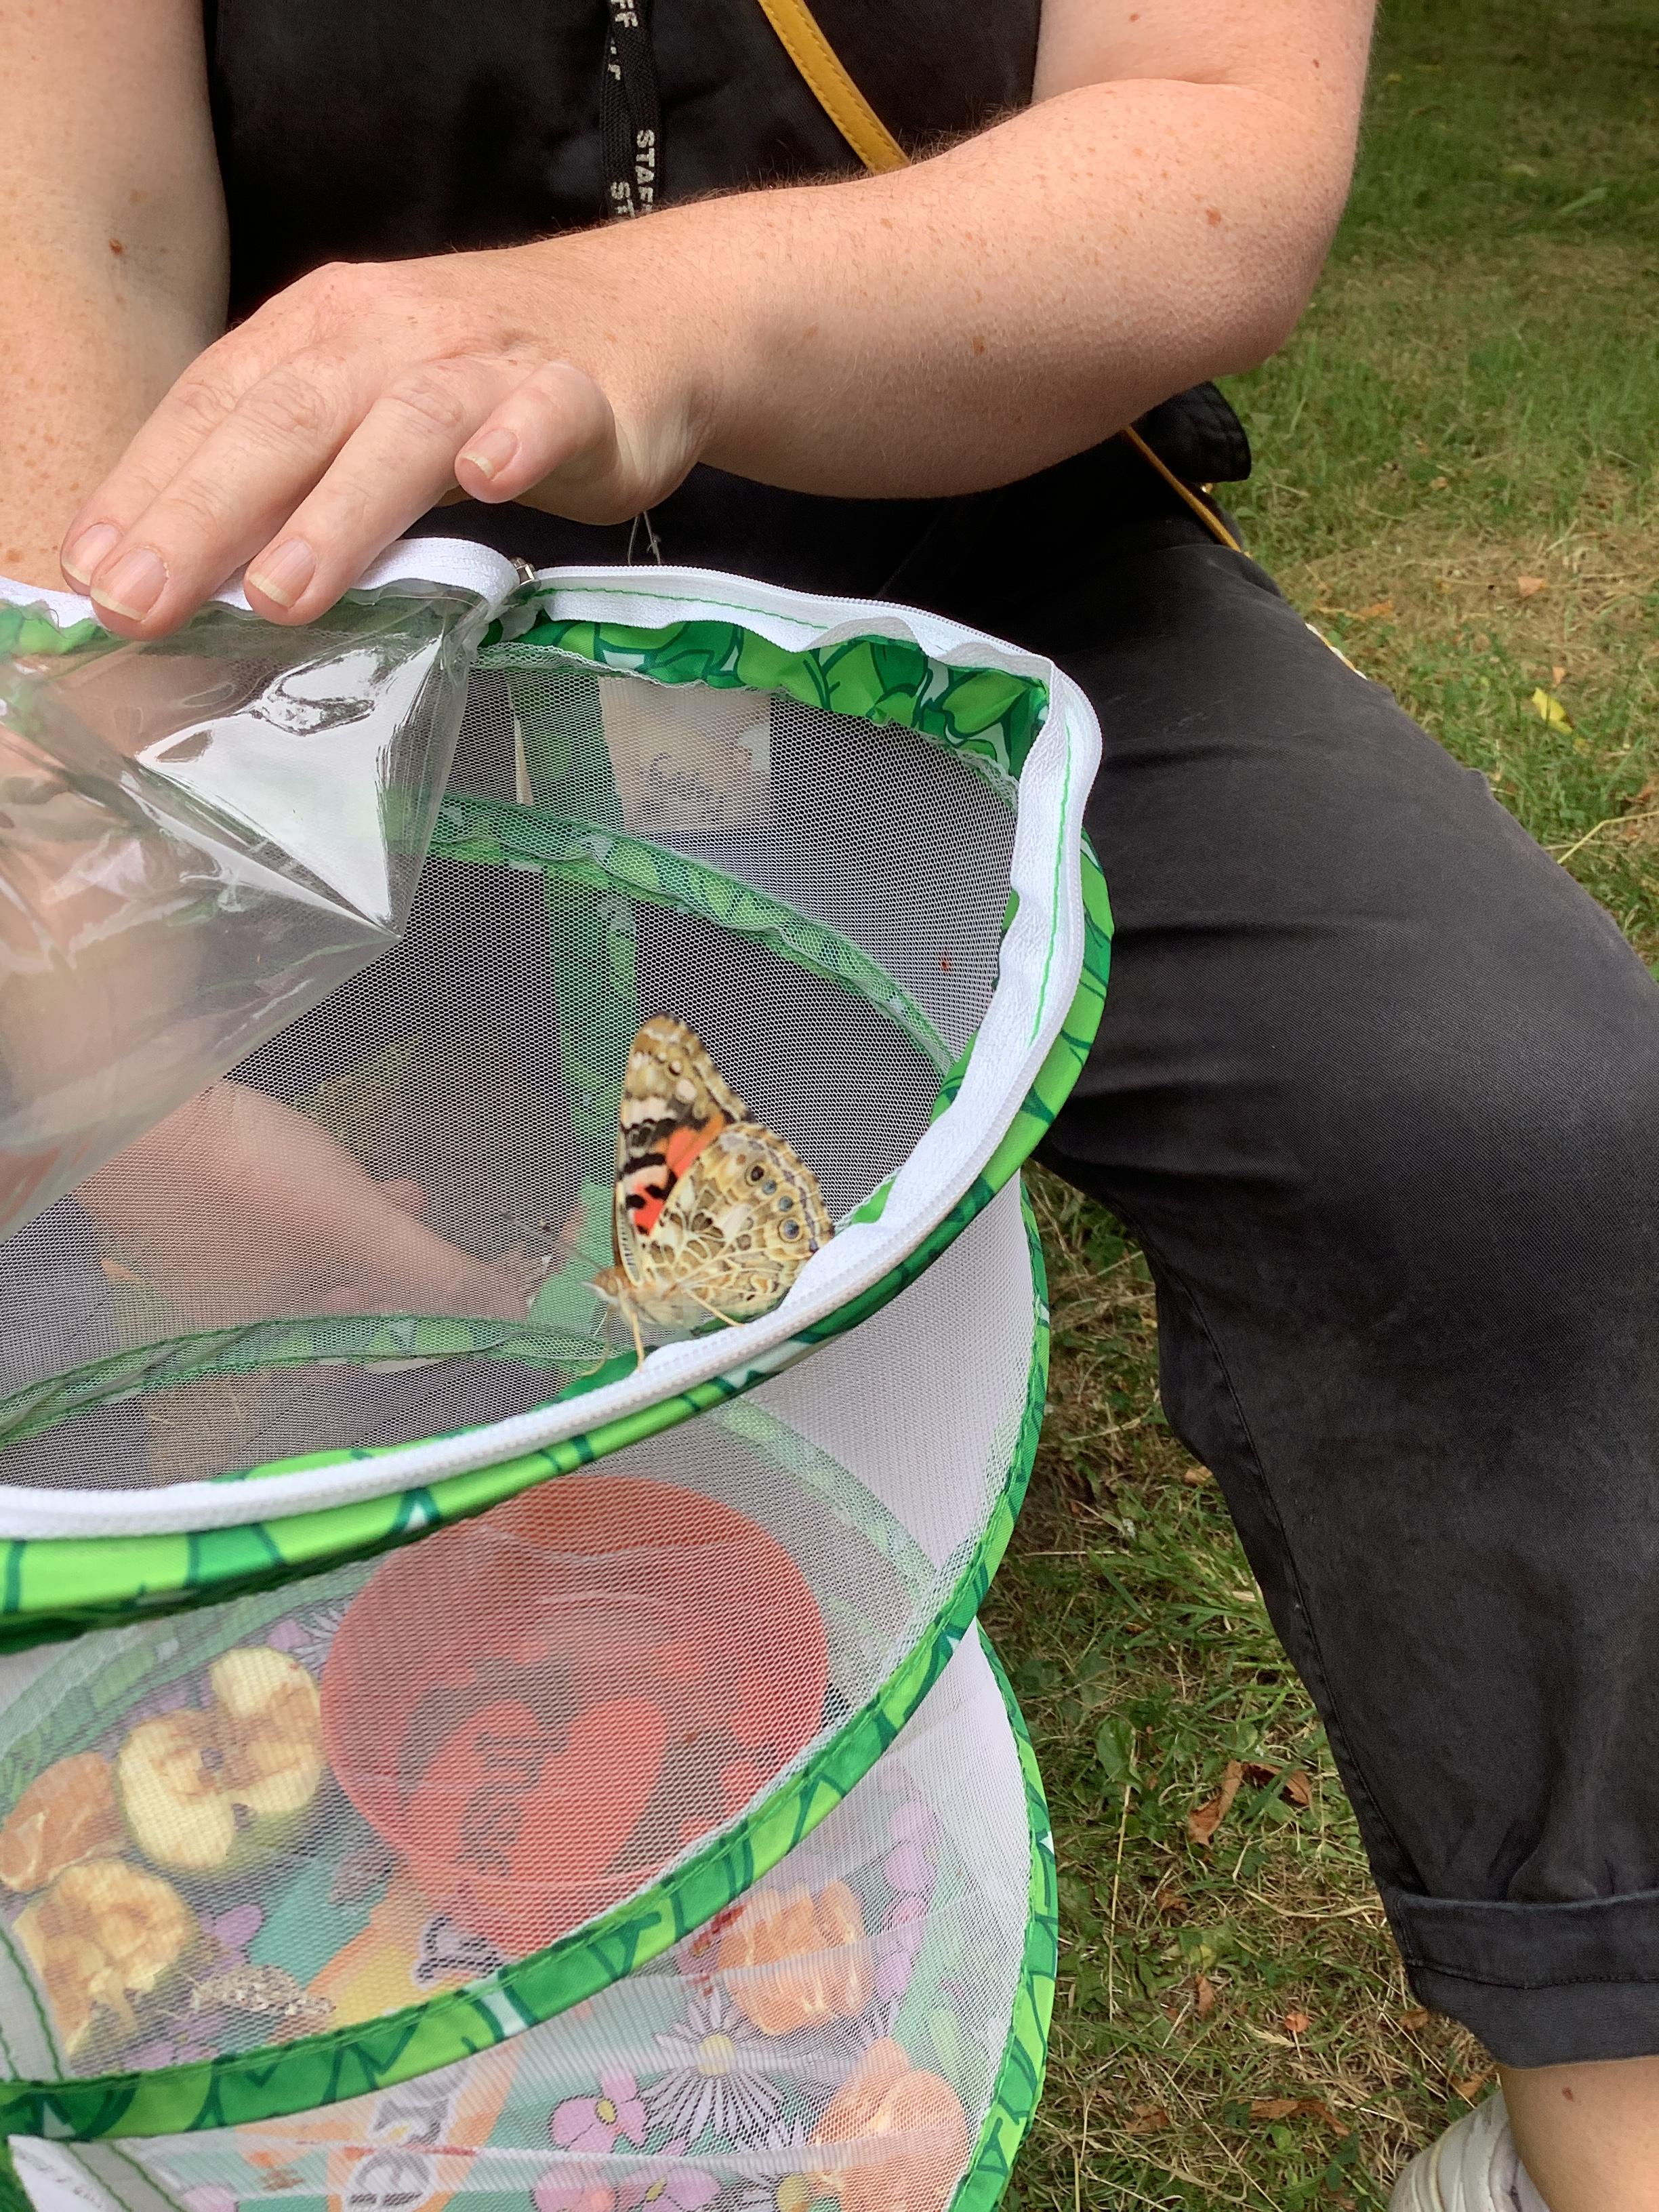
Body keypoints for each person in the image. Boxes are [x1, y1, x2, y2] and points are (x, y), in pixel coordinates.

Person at [3, 1, 1658, 2203]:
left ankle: (1604, 2114)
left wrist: (642, 317)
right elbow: (75, 236)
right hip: (324, 646)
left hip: (983, 597)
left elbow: (1215, 147)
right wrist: (125, 1002)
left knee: (1494, 1108)